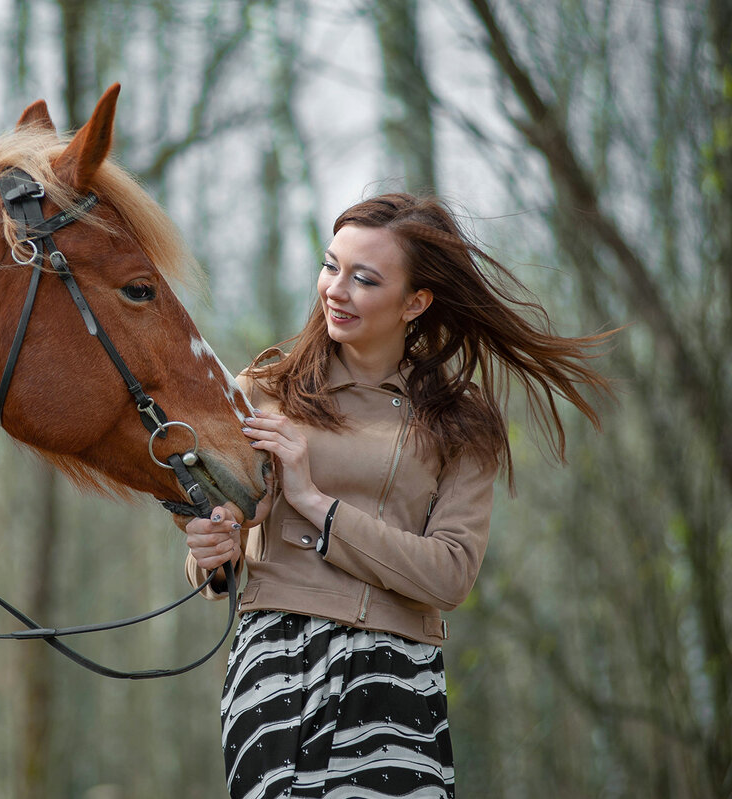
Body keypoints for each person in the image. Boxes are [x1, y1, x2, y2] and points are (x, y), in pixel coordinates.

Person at [183, 193, 612, 798]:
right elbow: (225, 540)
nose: (335, 289)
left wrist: (314, 502)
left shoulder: (461, 423)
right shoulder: (261, 392)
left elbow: (451, 575)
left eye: (364, 279)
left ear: (416, 302)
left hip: (397, 673)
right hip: (275, 664)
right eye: (331, 266)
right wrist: (210, 551)